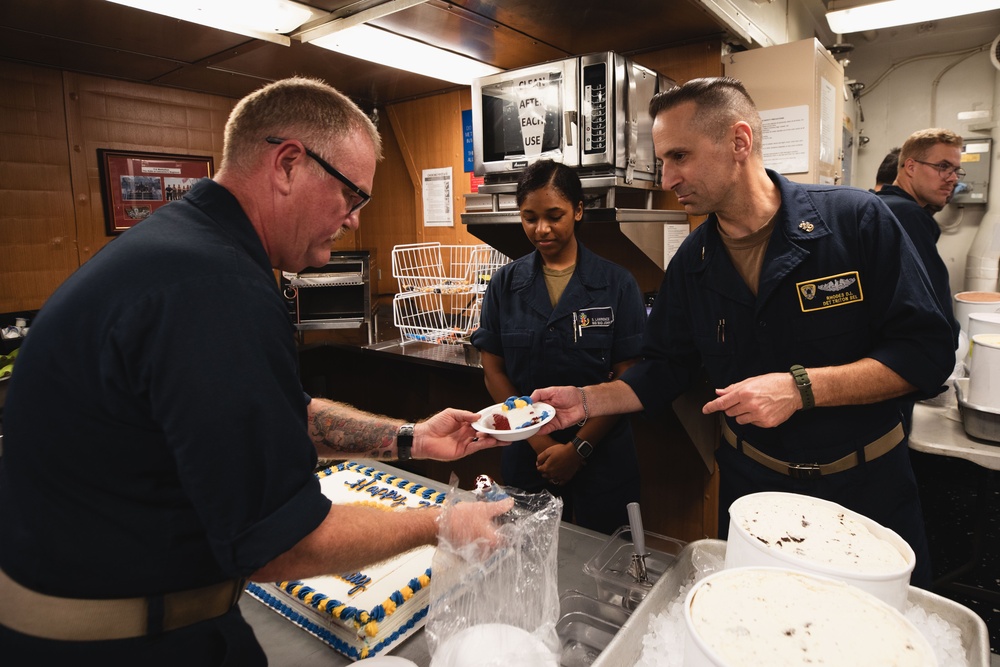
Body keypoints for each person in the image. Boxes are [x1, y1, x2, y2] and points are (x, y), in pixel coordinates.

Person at [0, 77, 511, 665]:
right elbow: (284, 541)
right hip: (121, 640)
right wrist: (442, 521)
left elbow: (273, 413)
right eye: (352, 196)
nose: (354, 222)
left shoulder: (183, 248)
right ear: (289, 163)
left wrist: (410, 438)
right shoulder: (216, 287)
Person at [531, 77, 956, 588]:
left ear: (739, 142)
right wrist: (588, 400)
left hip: (865, 489)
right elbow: (666, 368)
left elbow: (928, 354)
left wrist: (802, 389)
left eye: (679, 156)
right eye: (663, 160)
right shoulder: (693, 263)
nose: (668, 178)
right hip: (753, 491)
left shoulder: (855, 221)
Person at [470, 159, 646, 534]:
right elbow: (493, 370)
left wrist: (578, 450)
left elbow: (629, 377)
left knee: (608, 560)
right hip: (528, 457)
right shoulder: (505, 284)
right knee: (528, 563)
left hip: (603, 455)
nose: (541, 229)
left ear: (578, 211)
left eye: (554, 215)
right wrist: (540, 441)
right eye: (529, 217)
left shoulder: (617, 284)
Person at [876, 129, 964, 426]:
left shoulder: (878, 206)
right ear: (910, 167)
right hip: (894, 370)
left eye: (955, 170)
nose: (952, 178)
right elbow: (933, 311)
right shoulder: (907, 215)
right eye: (942, 167)